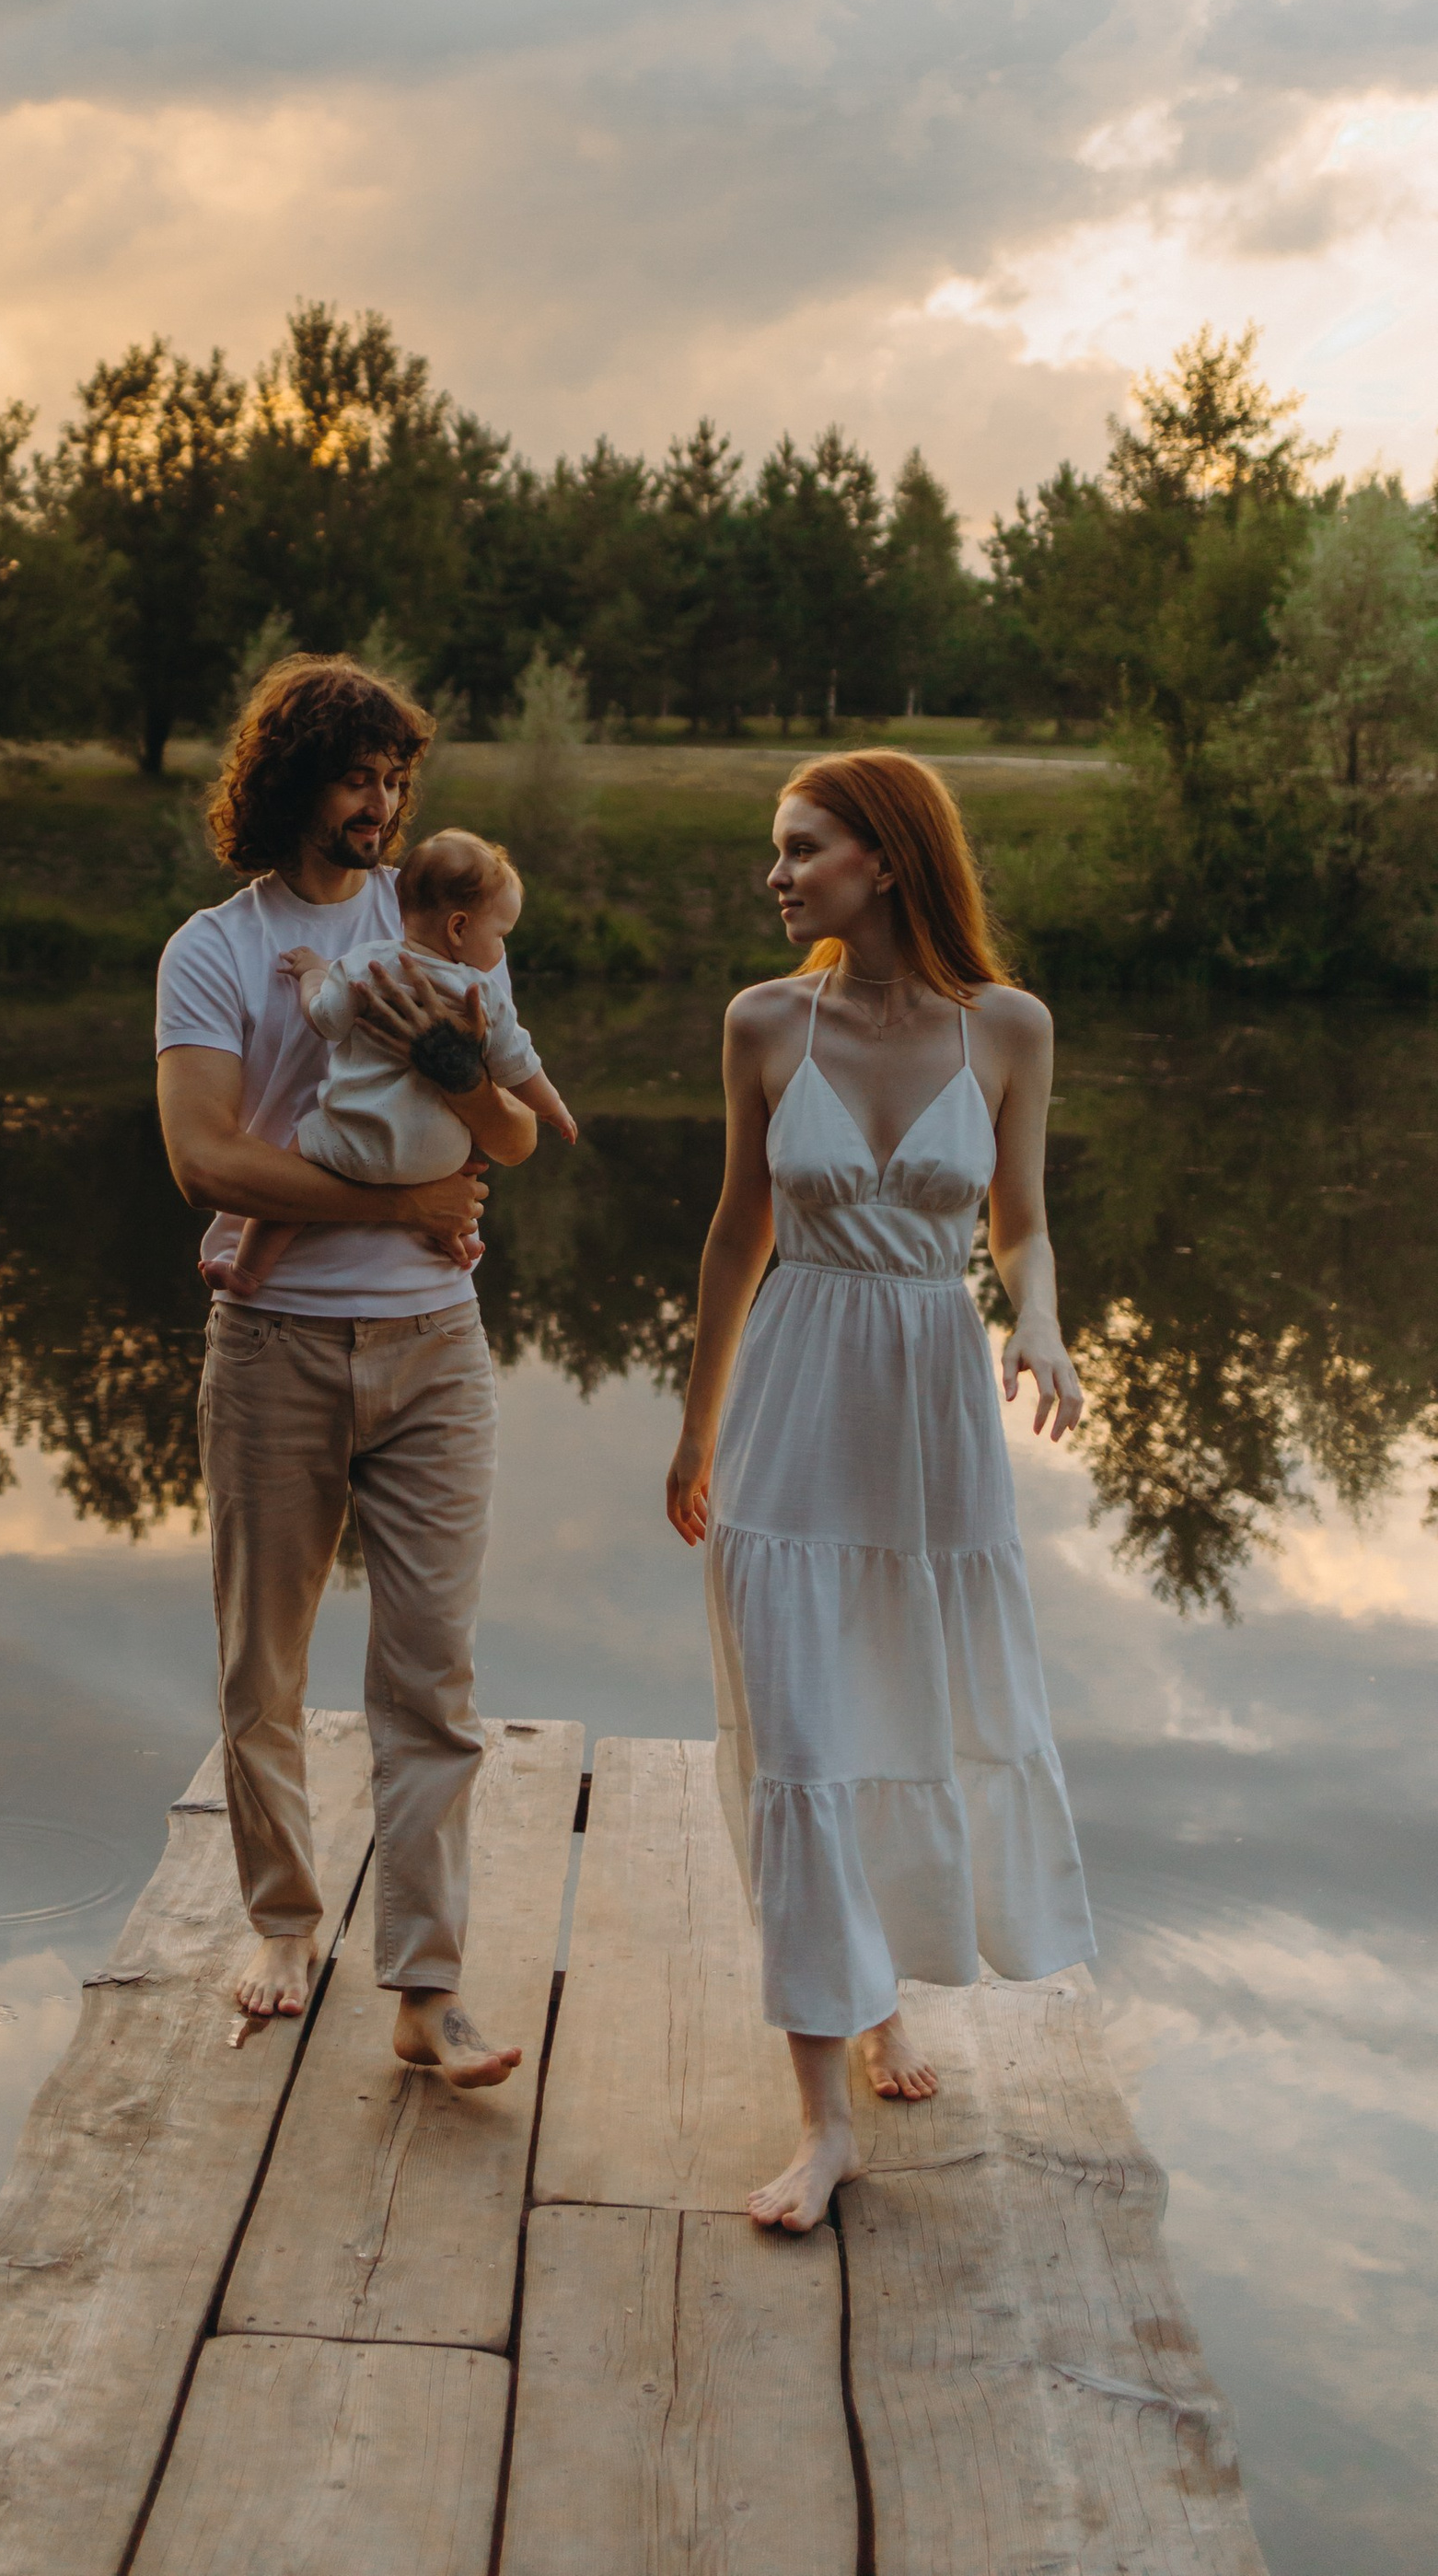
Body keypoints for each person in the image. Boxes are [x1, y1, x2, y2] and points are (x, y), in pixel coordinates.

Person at [666, 748, 1096, 2233]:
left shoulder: (1010, 1029)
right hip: (792, 1407)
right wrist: (693, 1426)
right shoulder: (763, 1022)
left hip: (930, 1422)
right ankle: (821, 2121)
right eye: (777, 853)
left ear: (886, 861)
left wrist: (1037, 1317)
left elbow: (1023, 1230)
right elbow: (737, 1238)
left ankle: (882, 1999)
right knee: (802, 1739)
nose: (777, 877)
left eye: (802, 849)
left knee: (899, 1715)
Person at [156, 658, 542, 2087]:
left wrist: (440, 1056)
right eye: (355, 776)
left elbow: (505, 1139)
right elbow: (205, 1157)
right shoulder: (213, 950)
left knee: (431, 1679)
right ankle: (280, 1924)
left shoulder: (443, 915)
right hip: (273, 1351)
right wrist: (395, 1208)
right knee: (263, 1663)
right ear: (288, 782)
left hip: (439, 1348)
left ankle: (427, 1987)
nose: (381, 805)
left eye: (396, 779)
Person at [200, 826, 576, 1301]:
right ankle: (460, 1238)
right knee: (465, 1157)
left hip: (357, 1138)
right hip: (438, 1156)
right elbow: (519, 1065)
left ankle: (247, 1272)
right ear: (458, 927)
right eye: (501, 935)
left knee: (293, 1166)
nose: (502, 949)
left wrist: (314, 974)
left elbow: (326, 1019)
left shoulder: (366, 965)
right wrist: (554, 1107)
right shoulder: (481, 993)